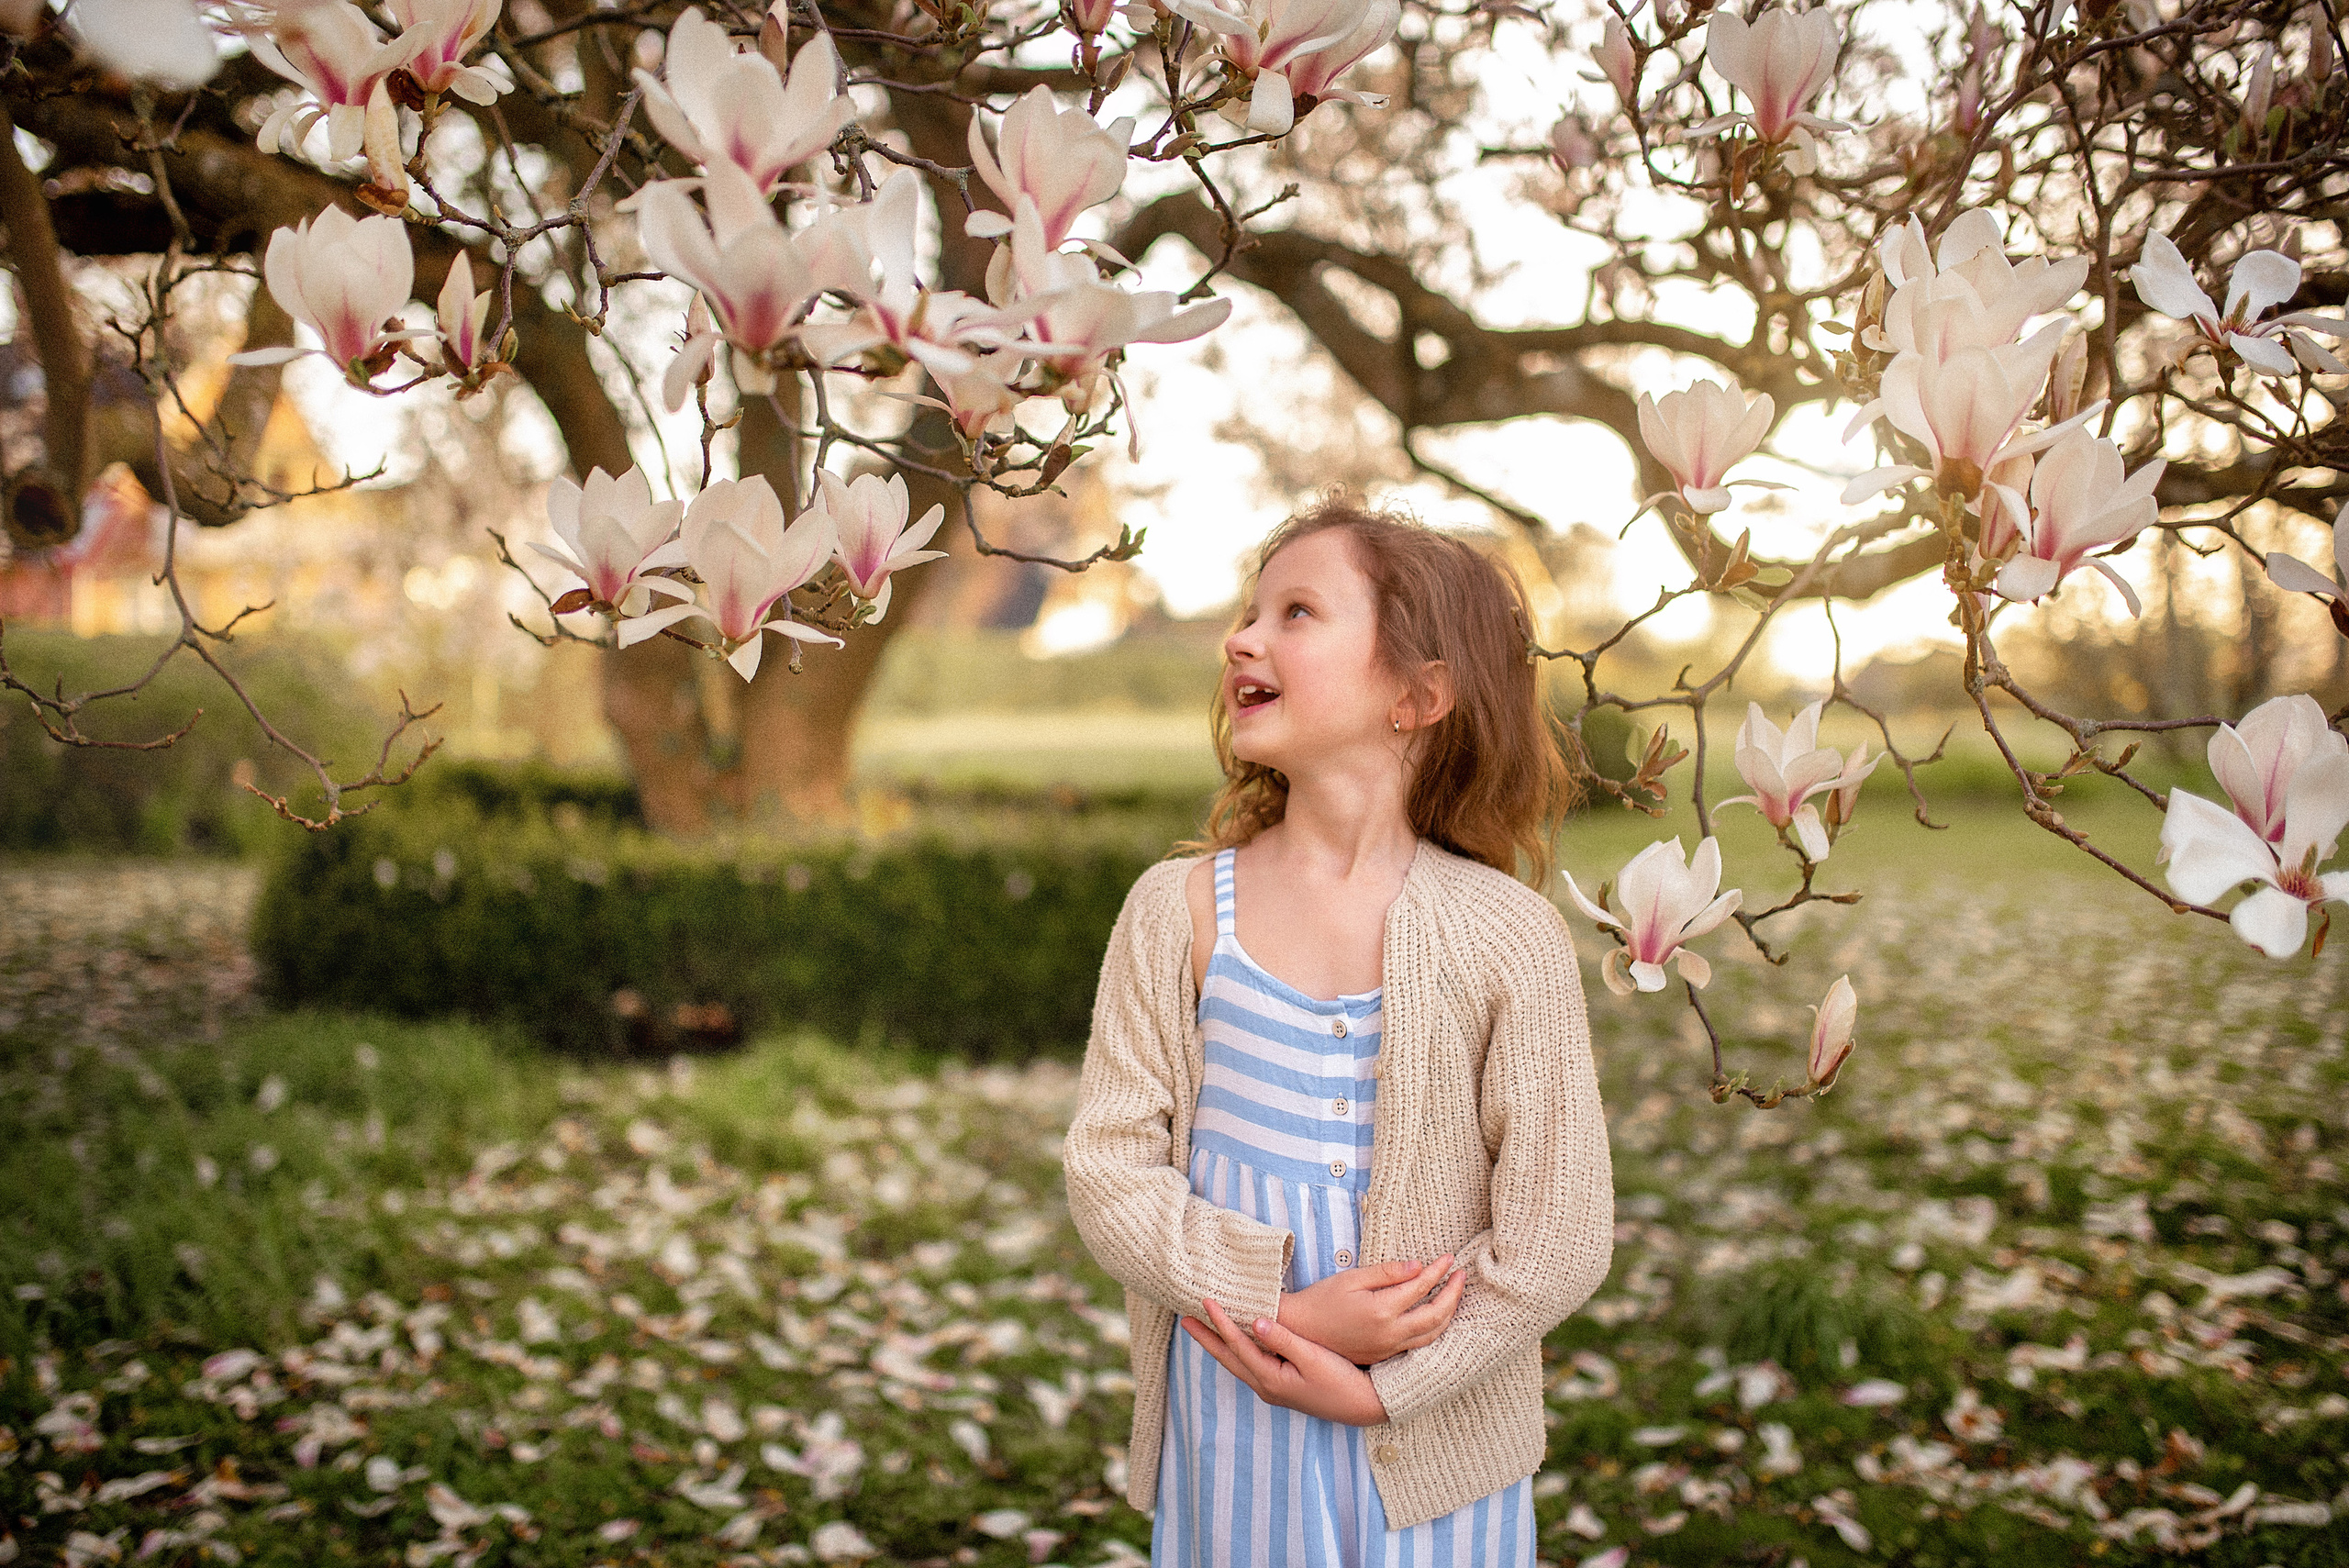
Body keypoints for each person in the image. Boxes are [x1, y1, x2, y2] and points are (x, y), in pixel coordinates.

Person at [1063, 496, 1616, 1567]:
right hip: (1233, 1419)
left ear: (1418, 692)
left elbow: (1558, 1237)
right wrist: (1284, 1306)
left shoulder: (1508, 936)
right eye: (1249, 611)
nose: (1242, 638)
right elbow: (1108, 1168)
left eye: (1298, 611)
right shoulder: (1178, 909)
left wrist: (1383, 1387)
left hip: (1431, 1453)